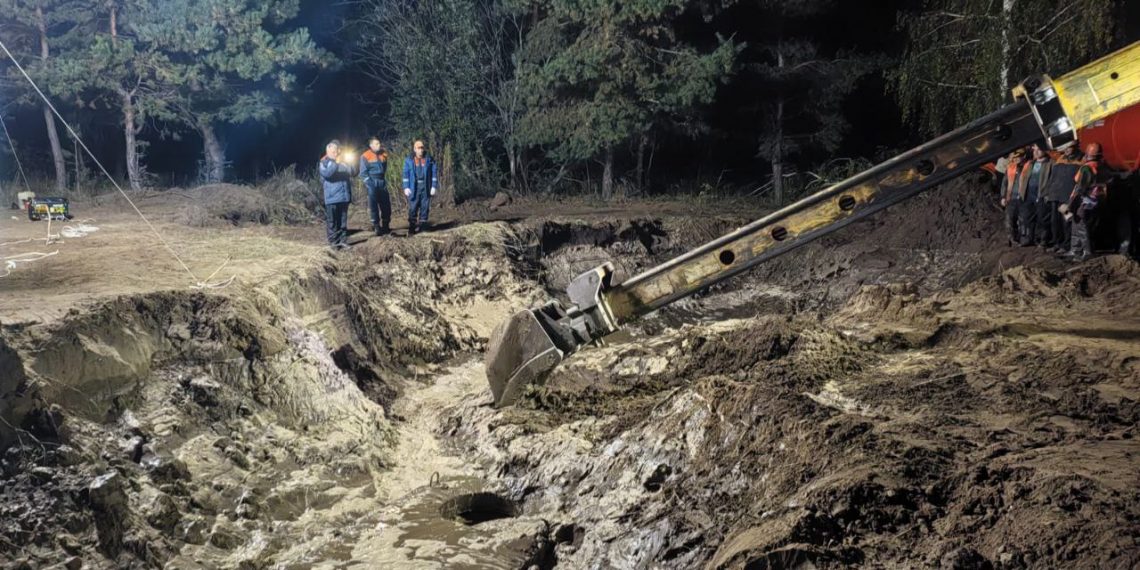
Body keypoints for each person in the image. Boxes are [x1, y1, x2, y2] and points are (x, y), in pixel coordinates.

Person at [1041, 144, 1081, 253]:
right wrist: (1047, 192)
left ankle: (1066, 246)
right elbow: (1052, 177)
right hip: (1055, 195)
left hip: (1067, 197)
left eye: (1070, 147)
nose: (1067, 149)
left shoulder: (1080, 160)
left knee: (1066, 223)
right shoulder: (1060, 159)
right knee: (1055, 222)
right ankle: (1056, 243)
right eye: (1066, 147)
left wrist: (1073, 198)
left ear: (1076, 146)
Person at [1068, 142, 1104, 261]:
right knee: (1078, 225)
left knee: (1080, 226)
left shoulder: (1086, 168)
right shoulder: (1099, 166)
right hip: (1093, 201)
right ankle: (1075, 250)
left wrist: (1072, 203)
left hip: (1082, 201)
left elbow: (1081, 187)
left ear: (1088, 155)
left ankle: (1084, 251)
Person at [319, 139, 355, 250]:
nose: (336, 153)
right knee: (332, 223)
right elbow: (327, 174)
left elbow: (353, 172)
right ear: (328, 151)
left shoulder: (342, 161)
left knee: (342, 223)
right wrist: (336, 163)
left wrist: (348, 163)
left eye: (337, 151)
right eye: (333, 151)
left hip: (344, 197)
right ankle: (334, 244)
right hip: (331, 198)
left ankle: (342, 242)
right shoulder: (324, 162)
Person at [1015, 144, 1052, 247]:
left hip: (1041, 195)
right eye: (1034, 150)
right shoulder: (1031, 163)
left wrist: (1047, 195)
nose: (1035, 152)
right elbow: (1024, 178)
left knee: (1042, 219)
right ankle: (1027, 239)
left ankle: (1042, 240)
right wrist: (1021, 193)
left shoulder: (1050, 163)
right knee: (1026, 218)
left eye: (1038, 150)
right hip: (1028, 195)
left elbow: (1052, 180)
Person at [401, 140, 439, 235]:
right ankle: (412, 227)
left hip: (425, 187)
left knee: (425, 207)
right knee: (413, 207)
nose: (421, 150)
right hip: (414, 187)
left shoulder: (429, 159)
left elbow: (434, 173)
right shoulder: (409, 160)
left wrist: (433, 186)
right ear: (414, 149)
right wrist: (406, 187)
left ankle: (423, 227)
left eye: (422, 147)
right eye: (419, 148)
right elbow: (405, 174)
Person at [360, 137, 390, 236]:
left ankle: (386, 225)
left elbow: (384, 168)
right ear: (371, 145)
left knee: (386, 204)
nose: (379, 145)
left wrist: (382, 179)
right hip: (372, 181)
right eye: (376, 144)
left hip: (382, 181)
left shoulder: (384, 154)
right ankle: (376, 226)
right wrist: (370, 184)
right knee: (373, 206)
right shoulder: (365, 156)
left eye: (379, 143)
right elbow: (363, 173)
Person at [1000, 149, 1026, 246]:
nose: (1016, 159)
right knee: (1010, 219)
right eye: (1015, 157)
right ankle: (1011, 239)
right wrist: (1003, 197)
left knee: (1022, 220)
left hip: (1023, 198)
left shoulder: (1028, 167)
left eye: (1018, 157)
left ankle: (1021, 238)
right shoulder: (1010, 168)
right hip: (1011, 198)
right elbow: (1004, 183)